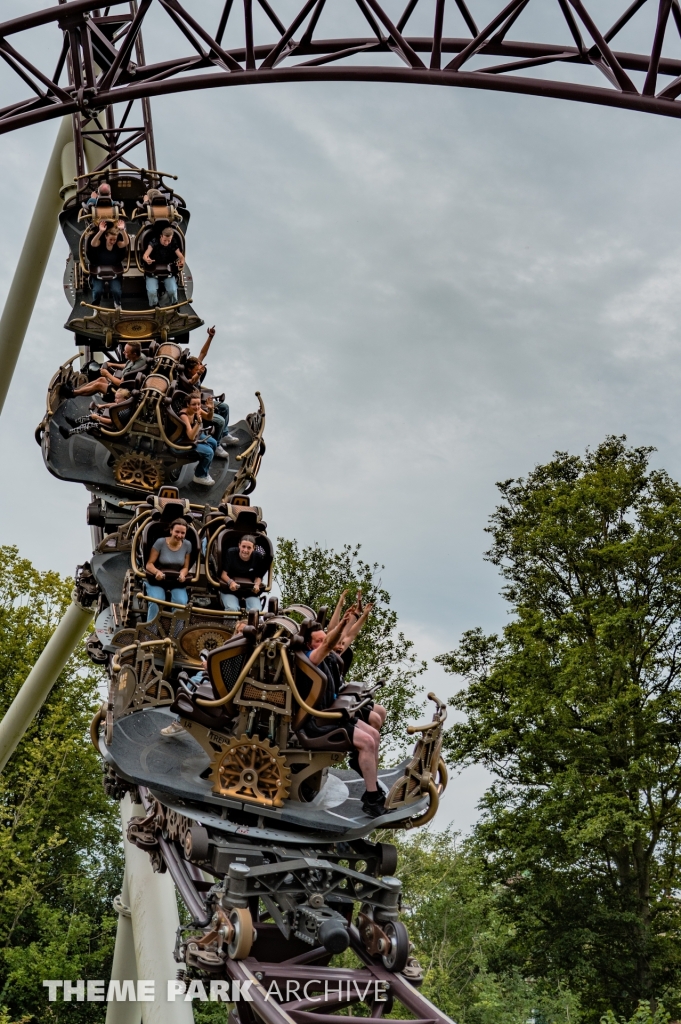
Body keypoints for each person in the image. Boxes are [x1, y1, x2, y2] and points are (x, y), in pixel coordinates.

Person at [304, 614, 386, 818]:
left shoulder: (329, 658)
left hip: (333, 714)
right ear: (308, 644)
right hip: (318, 722)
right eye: (318, 641)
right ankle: (372, 799)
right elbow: (328, 644)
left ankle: (370, 781)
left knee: (374, 735)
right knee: (367, 742)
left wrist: (352, 620)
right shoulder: (310, 658)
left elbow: (338, 640)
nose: (324, 643)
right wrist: (341, 625)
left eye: (324, 639)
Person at [183, 327, 239, 451]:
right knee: (220, 421)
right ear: (189, 370)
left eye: (200, 367)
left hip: (202, 401)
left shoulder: (196, 367)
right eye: (197, 369)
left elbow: (203, 353)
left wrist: (210, 337)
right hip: (196, 406)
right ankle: (217, 445)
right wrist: (199, 373)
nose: (200, 369)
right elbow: (192, 381)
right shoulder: (187, 379)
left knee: (224, 407)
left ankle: (224, 435)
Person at [145, 519, 193, 621]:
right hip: (158, 580)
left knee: (181, 602)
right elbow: (149, 564)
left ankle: (177, 630)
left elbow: (185, 567)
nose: (179, 535)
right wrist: (157, 572)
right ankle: (151, 629)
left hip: (176, 581)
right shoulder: (160, 542)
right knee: (157, 601)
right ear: (171, 530)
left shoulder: (187, 545)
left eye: (182, 533)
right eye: (177, 532)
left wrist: (182, 574)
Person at [64, 342, 146, 399]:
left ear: (134, 354)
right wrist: (112, 364)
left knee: (98, 385)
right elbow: (127, 365)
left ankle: (72, 393)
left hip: (122, 391)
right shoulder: (140, 356)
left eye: (126, 352)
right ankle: (76, 390)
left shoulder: (133, 371)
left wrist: (107, 374)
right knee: (101, 379)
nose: (124, 352)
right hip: (123, 385)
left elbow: (120, 383)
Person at [220, 535, 269, 612]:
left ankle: (253, 620)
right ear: (239, 545)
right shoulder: (231, 553)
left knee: (256, 610)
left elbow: (258, 576)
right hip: (230, 590)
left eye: (249, 548)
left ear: (254, 548)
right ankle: (230, 620)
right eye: (243, 546)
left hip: (249, 591)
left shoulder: (257, 557)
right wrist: (231, 582)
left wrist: (257, 584)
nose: (245, 550)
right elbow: (223, 574)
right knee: (232, 608)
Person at [59, 388, 133, 438]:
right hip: (113, 420)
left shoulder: (123, 412)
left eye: (117, 398)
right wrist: (103, 405)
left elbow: (111, 421)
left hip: (113, 428)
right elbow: (115, 404)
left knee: (90, 425)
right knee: (91, 416)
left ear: (124, 399)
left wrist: (98, 417)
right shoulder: (125, 403)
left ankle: (69, 433)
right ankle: (76, 422)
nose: (115, 399)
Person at [178, 391, 218, 486]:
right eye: (194, 404)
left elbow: (208, 418)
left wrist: (211, 409)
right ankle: (199, 476)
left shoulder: (197, 410)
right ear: (188, 404)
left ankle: (201, 467)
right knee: (209, 452)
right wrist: (198, 423)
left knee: (213, 443)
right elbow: (190, 436)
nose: (197, 407)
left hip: (193, 436)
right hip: (182, 441)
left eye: (199, 404)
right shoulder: (184, 415)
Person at [87, 219, 129, 307]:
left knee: (116, 290)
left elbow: (126, 242)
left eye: (114, 239)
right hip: (98, 270)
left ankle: (117, 304)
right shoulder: (100, 243)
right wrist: (100, 231)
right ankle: (96, 305)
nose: (113, 242)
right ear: (106, 237)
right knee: (97, 290)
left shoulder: (117, 244)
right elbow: (93, 243)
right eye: (111, 239)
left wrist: (122, 230)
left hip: (114, 270)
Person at [143, 226, 185, 307]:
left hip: (168, 270)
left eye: (169, 240)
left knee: (172, 290)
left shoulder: (173, 243)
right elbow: (145, 255)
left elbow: (181, 256)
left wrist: (182, 261)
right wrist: (147, 259)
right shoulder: (154, 241)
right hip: (153, 269)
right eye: (164, 240)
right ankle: (154, 306)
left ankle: (174, 304)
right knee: (151, 291)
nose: (166, 243)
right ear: (161, 236)